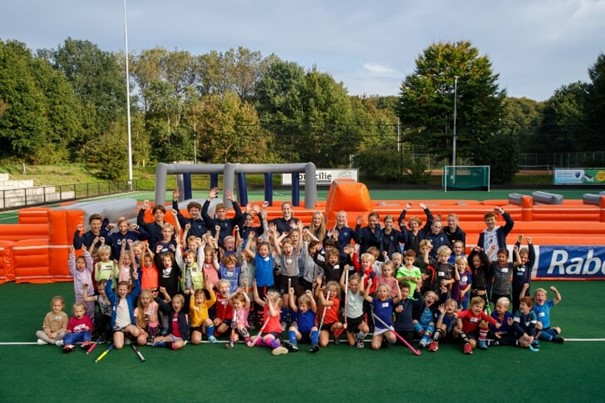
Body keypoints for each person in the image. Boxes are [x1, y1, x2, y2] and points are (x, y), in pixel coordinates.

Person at [105, 271, 141, 350]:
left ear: (128, 290)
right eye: (120, 289)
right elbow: (108, 291)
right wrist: (110, 279)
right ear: (117, 290)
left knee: (136, 332)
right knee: (119, 346)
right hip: (118, 326)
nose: (122, 291)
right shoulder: (114, 298)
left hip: (128, 325)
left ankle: (126, 335)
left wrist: (136, 279)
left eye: (124, 289)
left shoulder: (130, 298)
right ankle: (120, 337)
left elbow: (138, 289)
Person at [250, 285, 289, 356]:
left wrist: (270, 303)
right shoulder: (265, 305)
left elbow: (273, 314)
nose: (266, 299)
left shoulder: (276, 309)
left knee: (266, 338)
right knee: (253, 338)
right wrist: (254, 287)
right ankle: (273, 342)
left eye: (269, 299)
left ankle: (278, 347)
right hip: (266, 332)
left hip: (275, 332)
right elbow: (257, 299)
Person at [364, 279, 402, 350]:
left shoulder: (390, 301)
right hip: (378, 328)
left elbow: (399, 298)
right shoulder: (375, 300)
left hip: (388, 327)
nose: (382, 293)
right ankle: (381, 338)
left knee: (393, 338)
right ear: (377, 293)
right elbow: (366, 297)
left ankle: (386, 338)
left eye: (384, 291)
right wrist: (369, 285)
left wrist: (397, 285)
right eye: (380, 291)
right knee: (375, 347)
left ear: (388, 292)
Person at [284, 287, 320, 352]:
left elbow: (314, 305)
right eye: (300, 305)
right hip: (300, 335)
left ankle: (314, 344)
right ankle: (293, 344)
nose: (301, 308)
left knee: (314, 328)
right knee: (291, 328)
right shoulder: (298, 310)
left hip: (310, 335)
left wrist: (311, 296)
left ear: (309, 306)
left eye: (303, 306)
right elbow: (292, 305)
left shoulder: (312, 311)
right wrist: (291, 294)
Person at [340, 272, 368, 349]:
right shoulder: (347, 290)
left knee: (366, 329)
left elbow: (362, 290)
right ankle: (349, 332)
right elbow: (341, 283)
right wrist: (345, 271)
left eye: (356, 285)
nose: (353, 286)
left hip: (358, 319)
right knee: (352, 343)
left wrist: (362, 279)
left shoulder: (361, 293)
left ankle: (359, 338)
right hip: (349, 320)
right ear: (349, 284)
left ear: (358, 285)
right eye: (352, 285)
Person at [68, 245, 94, 320]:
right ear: (76, 264)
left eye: (82, 262)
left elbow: (90, 261)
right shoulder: (75, 272)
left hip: (89, 294)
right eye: (78, 262)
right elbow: (71, 264)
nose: (80, 264)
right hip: (79, 296)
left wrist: (85, 252)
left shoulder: (89, 270)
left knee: (90, 310)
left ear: (85, 264)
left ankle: (91, 324)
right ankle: (80, 323)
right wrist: (72, 254)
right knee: (79, 310)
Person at [315, 278, 343, 347]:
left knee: (339, 325)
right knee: (323, 344)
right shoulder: (324, 297)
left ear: (337, 292)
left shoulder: (336, 300)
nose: (332, 293)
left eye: (334, 291)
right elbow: (316, 294)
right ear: (326, 291)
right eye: (330, 290)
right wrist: (319, 285)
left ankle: (335, 335)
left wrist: (321, 291)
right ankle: (325, 334)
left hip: (333, 324)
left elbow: (324, 303)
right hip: (324, 324)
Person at [189, 280, 217, 345]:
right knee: (196, 341)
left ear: (204, 299)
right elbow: (191, 306)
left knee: (208, 320)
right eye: (197, 298)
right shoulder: (193, 306)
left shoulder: (206, 304)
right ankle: (196, 335)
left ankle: (210, 336)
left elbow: (214, 300)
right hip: (196, 326)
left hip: (204, 325)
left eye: (201, 298)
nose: (199, 300)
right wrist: (192, 295)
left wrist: (210, 290)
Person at [513, 236, 535, 313]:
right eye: (521, 257)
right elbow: (514, 253)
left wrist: (530, 244)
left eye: (525, 258)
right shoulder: (516, 265)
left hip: (526, 290)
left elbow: (532, 256)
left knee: (525, 306)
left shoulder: (529, 266)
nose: (523, 259)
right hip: (516, 290)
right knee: (516, 306)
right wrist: (518, 242)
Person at [227, 284, 252, 348]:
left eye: (238, 303)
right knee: (234, 339)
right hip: (235, 329)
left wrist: (244, 293)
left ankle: (248, 339)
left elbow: (248, 301)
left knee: (239, 325)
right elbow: (228, 299)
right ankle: (238, 337)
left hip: (243, 328)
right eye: (234, 303)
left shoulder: (245, 309)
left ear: (243, 303)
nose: (236, 305)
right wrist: (236, 292)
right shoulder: (233, 308)